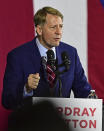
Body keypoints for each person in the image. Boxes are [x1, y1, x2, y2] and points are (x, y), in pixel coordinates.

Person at [2, 6, 92, 110]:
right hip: (31, 124)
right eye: (53, 27)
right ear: (39, 30)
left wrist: (95, 107)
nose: (59, 32)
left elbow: (84, 91)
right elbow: (7, 100)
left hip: (62, 124)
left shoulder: (71, 53)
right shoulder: (18, 56)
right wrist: (26, 88)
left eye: (61, 26)